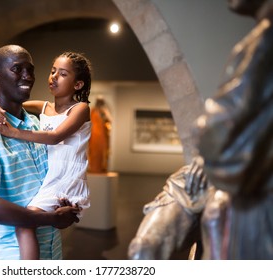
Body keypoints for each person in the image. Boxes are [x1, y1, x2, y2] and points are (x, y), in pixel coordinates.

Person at [129, 0, 273, 260]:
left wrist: (208, 145)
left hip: (244, 188)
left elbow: (221, 140)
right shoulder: (258, 42)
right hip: (214, 176)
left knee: (215, 214)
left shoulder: (266, 44)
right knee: (144, 248)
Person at [0, 45, 80, 260]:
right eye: (17, 69)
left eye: (30, 69)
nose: (27, 76)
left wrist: (64, 201)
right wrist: (51, 219)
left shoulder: (37, 125)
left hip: (50, 252)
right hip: (6, 256)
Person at [88, 95, 112, 173]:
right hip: (93, 136)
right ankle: (93, 168)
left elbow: (110, 120)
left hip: (102, 137)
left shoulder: (104, 111)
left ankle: (102, 168)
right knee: (93, 152)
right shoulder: (93, 111)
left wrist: (105, 114)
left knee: (102, 152)